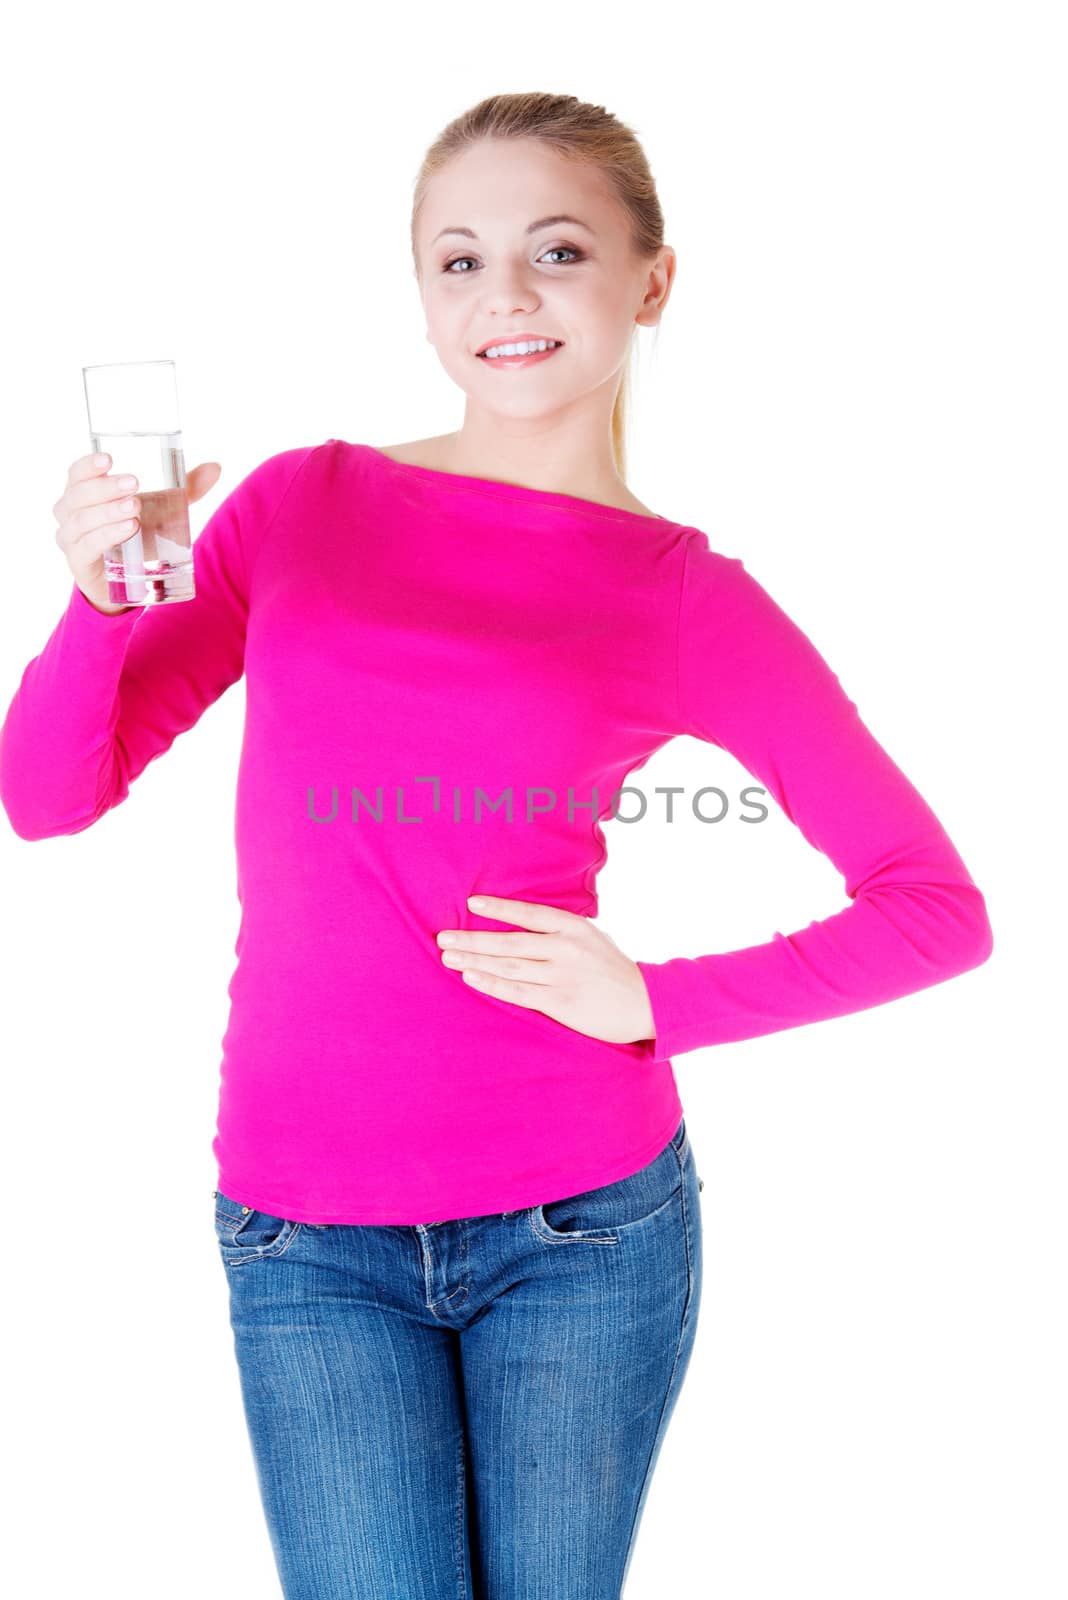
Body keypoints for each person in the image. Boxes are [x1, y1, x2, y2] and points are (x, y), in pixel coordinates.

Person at [0, 91, 993, 1600]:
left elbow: (935, 910)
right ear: (419, 295)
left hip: (580, 1229)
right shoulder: (301, 506)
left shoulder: (681, 596)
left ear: (652, 283)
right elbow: (46, 797)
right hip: (306, 1231)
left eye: (556, 249)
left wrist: (657, 1001)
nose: (504, 296)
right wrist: (99, 603)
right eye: (457, 262)